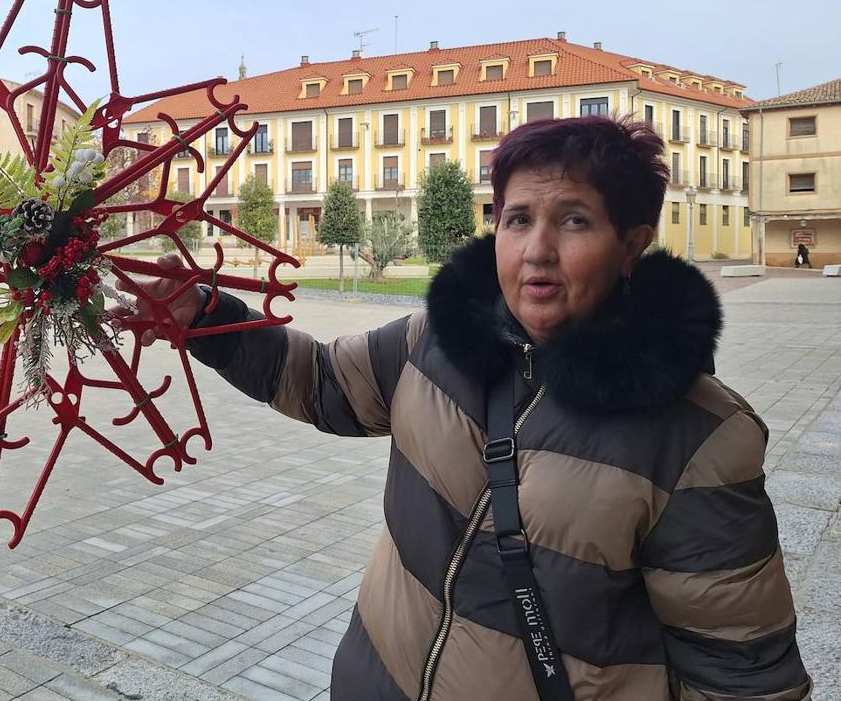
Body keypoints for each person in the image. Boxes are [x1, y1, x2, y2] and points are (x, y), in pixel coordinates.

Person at [130, 116, 811, 700]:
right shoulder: (432, 343)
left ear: (630, 245)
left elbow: (739, 672)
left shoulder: (696, 437)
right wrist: (205, 316)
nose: (537, 251)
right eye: (518, 219)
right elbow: (319, 381)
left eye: (573, 220)